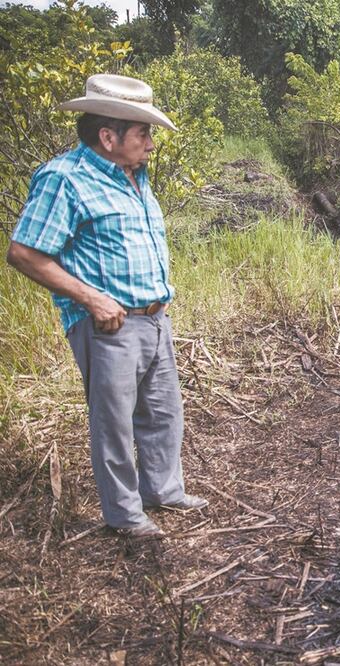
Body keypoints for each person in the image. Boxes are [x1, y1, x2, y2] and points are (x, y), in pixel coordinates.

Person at [5, 74, 208, 539]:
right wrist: (93, 299)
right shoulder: (66, 178)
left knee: (162, 412)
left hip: (155, 318)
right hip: (109, 324)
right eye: (144, 134)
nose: (152, 144)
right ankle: (125, 515)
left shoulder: (134, 176)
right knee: (113, 422)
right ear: (108, 136)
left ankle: (163, 490)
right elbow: (25, 253)